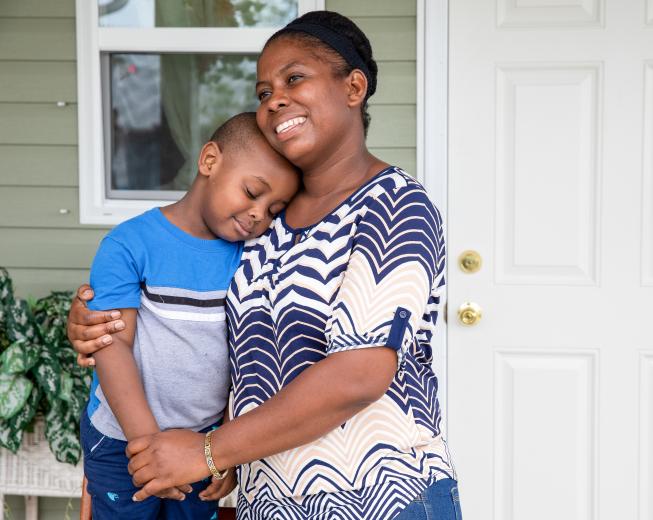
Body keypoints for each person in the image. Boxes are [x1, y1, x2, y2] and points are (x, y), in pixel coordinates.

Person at [68, 11, 461, 520]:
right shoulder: (260, 227)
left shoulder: (395, 206)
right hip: (269, 501)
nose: (274, 98)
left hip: (377, 495)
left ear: (354, 87)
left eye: (294, 78)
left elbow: (360, 373)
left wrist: (209, 451)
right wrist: (92, 321)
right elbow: (223, 343)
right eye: (262, 91)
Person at [79, 112, 299, 519]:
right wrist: (148, 447)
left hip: (202, 448)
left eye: (274, 209)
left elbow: (247, 359)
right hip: (121, 443)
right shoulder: (130, 243)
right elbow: (112, 348)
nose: (258, 215)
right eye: (252, 192)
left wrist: (227, 446)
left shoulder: (251, 258)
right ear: (210, 160)